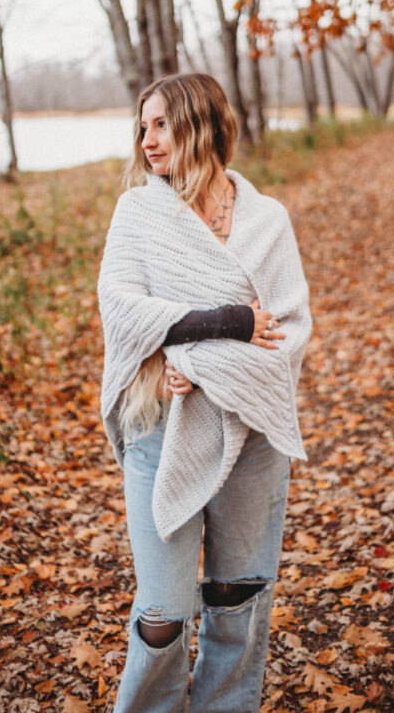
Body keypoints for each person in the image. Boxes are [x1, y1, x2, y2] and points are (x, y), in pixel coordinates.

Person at [98, 73, 311, 713]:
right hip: (161, 426)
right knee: (162, 609)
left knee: (236, 598)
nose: (148, 141)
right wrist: (228, 325)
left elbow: (289, 328)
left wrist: (197, 355)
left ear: (201, 124)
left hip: (250, 433)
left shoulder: (266, 219)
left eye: (161, 124)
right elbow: (123, 312)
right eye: (143, 127)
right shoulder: (139, 211)